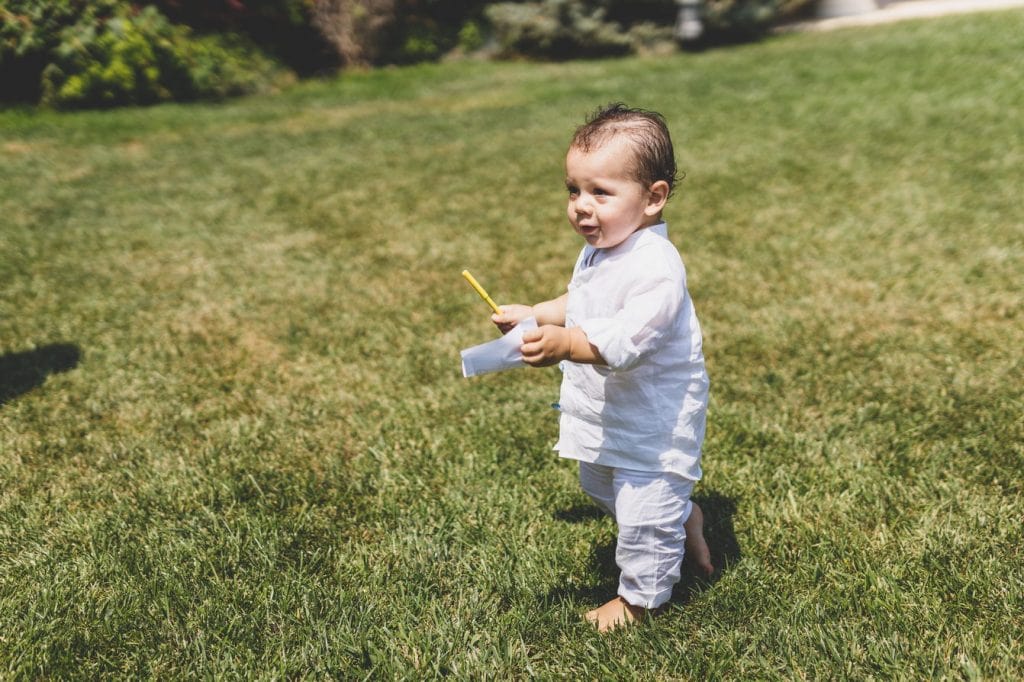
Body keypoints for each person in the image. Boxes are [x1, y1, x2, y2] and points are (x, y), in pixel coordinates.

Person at [492, 103, 713, 632]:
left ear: (653, 197)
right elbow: (582, 300)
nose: (581, 207)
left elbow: (628, 338)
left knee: (641, 515)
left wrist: (566, 342)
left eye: (600, 193)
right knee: (599, 485)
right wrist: (538, 315)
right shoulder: (602, 250)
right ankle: (683, 516)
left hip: (654, 422)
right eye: (573, 190)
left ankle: (641, 599)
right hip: (608, 410)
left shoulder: (656, 267)